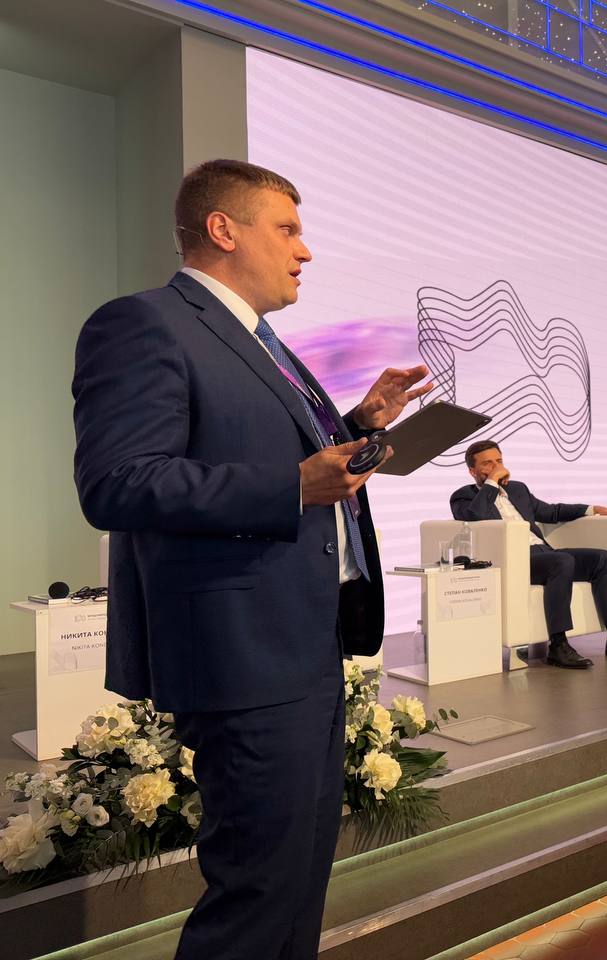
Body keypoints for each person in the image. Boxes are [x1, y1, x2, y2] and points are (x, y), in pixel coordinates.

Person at [71, 160, 431, 959]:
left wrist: (358, 423)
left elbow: (258, 450)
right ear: (223, 230)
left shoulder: (263, 344)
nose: (306, 251)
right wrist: (292, 485)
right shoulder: (144, 324)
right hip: (242, 654)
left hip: (305, 644)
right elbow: (117, 482)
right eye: (288, 229)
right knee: (257, 896)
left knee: (296, 881)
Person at [450, 440, 607, 669]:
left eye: (499, 461)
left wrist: (592, 509)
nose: (496, 467)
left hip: (544, 554)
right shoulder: (462, 497)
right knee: (561, 561)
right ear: (472, 471)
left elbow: (551, 511)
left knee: (602, 559)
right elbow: (476, 517)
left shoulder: (517, 489)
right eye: (488, 463)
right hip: (513, 561)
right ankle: (558, 645)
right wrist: (492, 482)